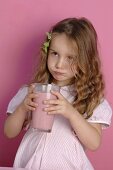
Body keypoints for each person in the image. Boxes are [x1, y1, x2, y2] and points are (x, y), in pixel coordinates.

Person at [4, 17, 112, 170]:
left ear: (85, 60)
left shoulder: (90, 98)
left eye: (70, 58)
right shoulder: (32, 91)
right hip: (30, 165)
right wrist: (23, 108)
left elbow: (94, 143)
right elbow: (9, 132)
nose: (59, 64)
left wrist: (70, 112)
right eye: (55, 53)